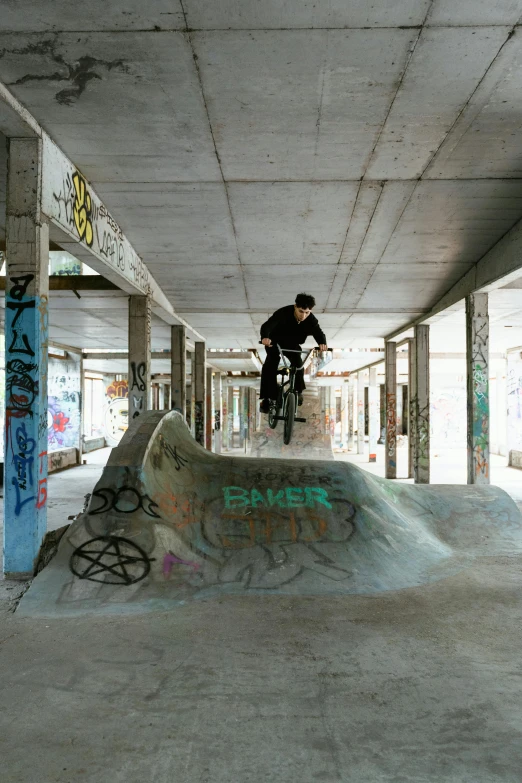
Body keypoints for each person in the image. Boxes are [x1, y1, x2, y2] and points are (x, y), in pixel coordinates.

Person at [259, 293, 328, 414]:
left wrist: (322, 342)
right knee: (271, 361)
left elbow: (318, 332)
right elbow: (267, 325)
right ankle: (267, 398)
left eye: (307, 312)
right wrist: (265, 337)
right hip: (274, 341)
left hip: (292, 344)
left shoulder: (311, 319)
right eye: (301, 311)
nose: (304, 315)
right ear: (295, 306)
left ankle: (298, 391)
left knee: (298, 362)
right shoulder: (283, 313)